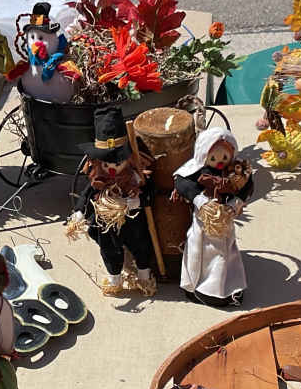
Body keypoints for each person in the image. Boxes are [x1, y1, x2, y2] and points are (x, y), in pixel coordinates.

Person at [74, 107, 157, 296]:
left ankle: (144, 276)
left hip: (133, 220)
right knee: (109, 247)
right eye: (106, 164)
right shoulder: (99, 179)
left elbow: (149, 191)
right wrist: (79, 212)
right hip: (107, 222)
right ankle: (114, 279)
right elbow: (87, 195)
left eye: (117, 163)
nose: (112, 169)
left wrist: (138, 202)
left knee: (141, 244)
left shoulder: (135, 177)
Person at [171, 127, 253, 305]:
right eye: (214, 158)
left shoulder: (237, 172)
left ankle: (222, 288)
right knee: (198, 251)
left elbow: (246, 187)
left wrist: (234, 204)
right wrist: (201, 201)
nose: (220, 163)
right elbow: (182, 183)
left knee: (224, 252)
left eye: (224, 157)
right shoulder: (197, 171)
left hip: (224, 218)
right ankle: (196, 285)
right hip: (203, 220)